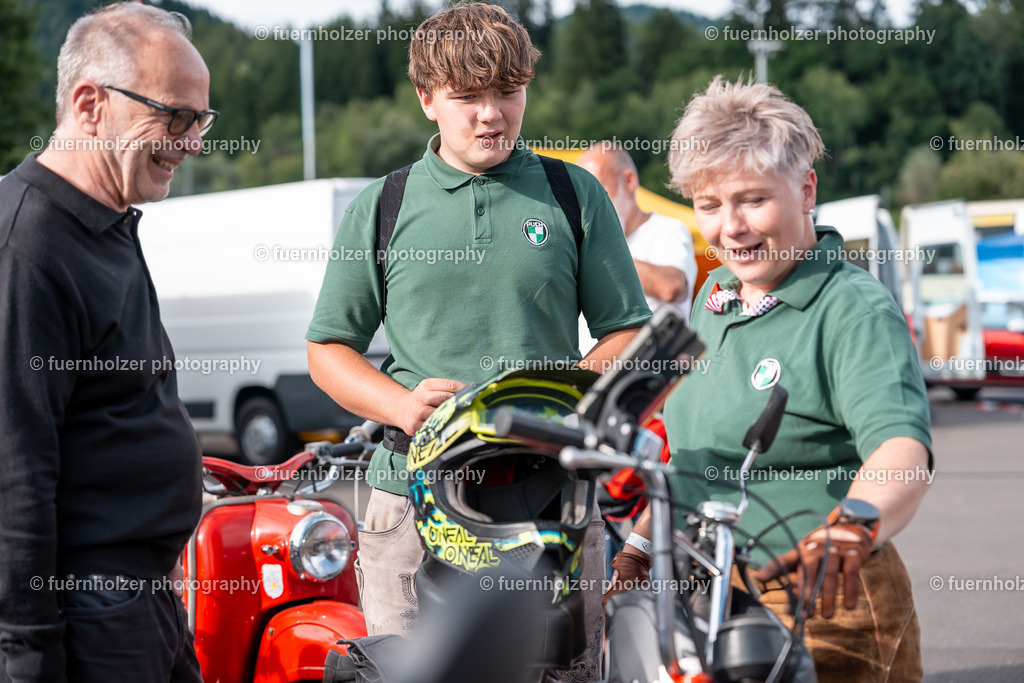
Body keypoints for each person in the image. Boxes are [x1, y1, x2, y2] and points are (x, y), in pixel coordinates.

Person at [306, 4, 650, 680]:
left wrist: (565, 401)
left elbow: (629, 330)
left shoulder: (573, 194)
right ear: (427, 98)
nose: (491, 113)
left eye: (508, 92)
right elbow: (328, 350)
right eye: (468, 97)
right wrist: (402, 405)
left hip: (553, 495)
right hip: (410, 498)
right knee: (415, 672)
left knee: (568, 673)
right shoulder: (381, 206)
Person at [605, 76, 932, 682]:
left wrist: (854, 525)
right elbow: (694, 458)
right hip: (715, 600)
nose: (730, 227)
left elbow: (903, 451)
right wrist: (641, 547)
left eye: (752, 199)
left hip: (831, 607)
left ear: (806, 189)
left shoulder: (852, 309)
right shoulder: (714, 295)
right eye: (709, 205)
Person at [0, 3, 216, 682]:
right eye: (176, 116)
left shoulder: (106, 218)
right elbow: (14, 472)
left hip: (138, 602)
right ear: (89, 103)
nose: (193, 141)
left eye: (202, 121)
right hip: (89, 613)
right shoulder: (26, 244)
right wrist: (29, 656)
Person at [577, 142, 697, 320]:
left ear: (629, 181)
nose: (588, 202)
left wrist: (599, 252)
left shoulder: (667, 229)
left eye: (597, 188)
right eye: (581, 193)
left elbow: (671, 286)